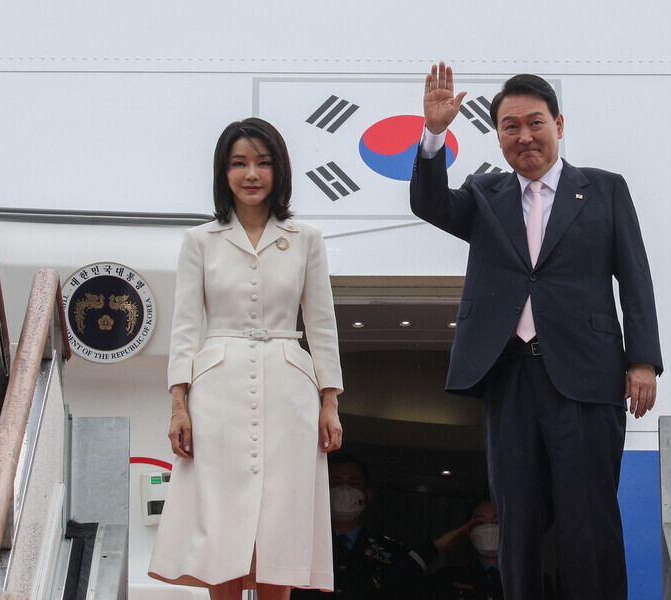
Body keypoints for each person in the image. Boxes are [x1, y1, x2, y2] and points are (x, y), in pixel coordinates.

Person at [410, 63, 664, 599]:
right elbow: (429, 204)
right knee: (517, 520)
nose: (524, 136)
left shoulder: (604, 189)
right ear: (498, 135)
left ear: (559, 124)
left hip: (587, 378)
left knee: (588, 519)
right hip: (510, 377)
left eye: (535, 122)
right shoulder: (484, 193)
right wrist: (434, 133)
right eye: (510, 126)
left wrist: (641, 361)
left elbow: (635, 278)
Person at [148, 118, 344, 600]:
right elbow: (185, 327)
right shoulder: (200, 240)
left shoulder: (306, 238)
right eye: (239, 163)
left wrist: (330, 402)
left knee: (282, 522)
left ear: (280, 170)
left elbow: (321, 324)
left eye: (263, 162)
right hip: (217, 390)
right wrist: (178, 405)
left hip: (290, 389)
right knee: (220, 519)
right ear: (224, 172)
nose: (251, 174)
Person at [292, 452, 472, 600]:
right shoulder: (300, 548)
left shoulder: (391, 552)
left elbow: (403, 587)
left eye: (353, 484)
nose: (344, 491)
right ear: (322, 491)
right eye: (336, 484)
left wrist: (433, 548)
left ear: (368, 496)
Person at [427, 499, 555, 600]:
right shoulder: (448, 578)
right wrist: (436, 546)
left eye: (497, 522)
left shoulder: (537, 581)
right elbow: (413, 586)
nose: (489, 529)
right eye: (480, 523)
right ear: (468, 531)